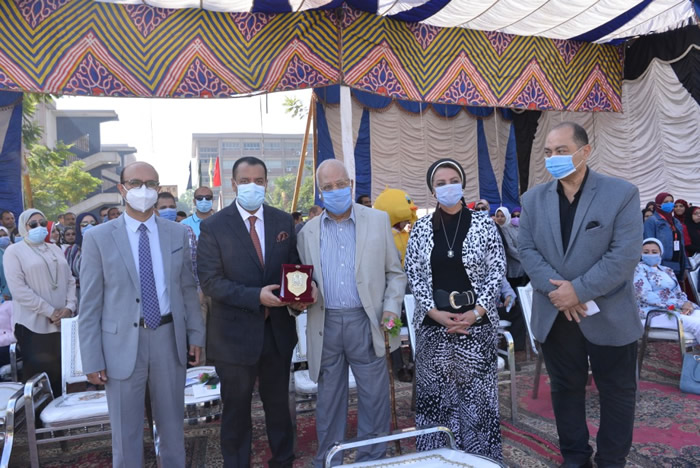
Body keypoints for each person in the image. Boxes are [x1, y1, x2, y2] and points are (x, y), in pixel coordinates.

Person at [518, 122, 643, 468]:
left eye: (561, 151)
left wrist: (579, 291)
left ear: (585, 151)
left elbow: (623, 255)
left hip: (608, 312)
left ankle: (611, 460)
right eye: (548, 152)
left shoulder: (621, 194)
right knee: (565, 388)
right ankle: (575, 458)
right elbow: (527, 250)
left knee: (617, 391)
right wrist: (559, 293)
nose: (553, 158)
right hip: (556, 312)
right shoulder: (532, 200)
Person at [79, 162, 204, 467]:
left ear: (158, 189)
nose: (143, 190)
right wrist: (91, 358)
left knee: (172, 426)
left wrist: (196, 335)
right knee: (125, 432)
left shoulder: (177, 233)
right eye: (136, 183)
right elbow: (90, 304)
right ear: (122, 189)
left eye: (151, 184)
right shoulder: (98, 237)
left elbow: (187, 289)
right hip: (120, 345)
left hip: (168, 339)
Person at [296, 159, 406, 467]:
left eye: (341, 184)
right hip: (326, 324)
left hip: (368, 321)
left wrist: (390, 310)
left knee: (374, 397)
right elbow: (303, 281)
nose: (335, 191)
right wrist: (301, 297)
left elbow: (395, 274)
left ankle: (372, 459)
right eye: (328, 187)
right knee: (329, 400)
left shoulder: (377, 221)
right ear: (320, 192)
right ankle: (330, 459)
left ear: (351, 185)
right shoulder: (307, 232)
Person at [197, 156, 302, 468]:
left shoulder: (283, 222)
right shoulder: (214, 226)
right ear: (233, 184)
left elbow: (294, 267)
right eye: (245, 181)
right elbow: (211, 282)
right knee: (236, 410)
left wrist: (300, 294)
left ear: (267, 183)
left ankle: (283, 460)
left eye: (258, 181)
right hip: (233, 337)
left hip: (277, 333)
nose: (252, 186)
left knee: (279, 407)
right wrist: (256, 296)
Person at [404, 158, 504, 460]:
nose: (448, 187)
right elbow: (414, 274)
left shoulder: (484, 224)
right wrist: (435, 313)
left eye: (453, 181)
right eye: (441, 183)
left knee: (478, 403)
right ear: (432, 190)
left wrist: (476, 312)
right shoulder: (421, 228)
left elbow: (496, 270)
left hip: (477, 326)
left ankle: (481, 461)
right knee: (436, 403)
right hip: (434, 327)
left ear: (462, 185)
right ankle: (438, 461)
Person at [3, 209, 76, 397]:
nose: (39, 227)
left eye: (42, 223)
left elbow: (70, 280)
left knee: (64, 377)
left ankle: (62, 414)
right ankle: (39, 416)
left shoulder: (55, 248)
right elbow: (19, 290)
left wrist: (69, 307)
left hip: (63, 323)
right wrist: (50, 312)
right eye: (33, 224)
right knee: (42, 382)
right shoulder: (14, 251)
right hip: (33, 325)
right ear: (23, 227)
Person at [634, 238, 700, 343]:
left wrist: (686, 303)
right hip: (653, 313)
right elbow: (645, 295)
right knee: (697, 325)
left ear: (660, 253)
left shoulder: (667, 270)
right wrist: (678, 304)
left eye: (654, 252)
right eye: (646, 252)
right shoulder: (638, 269)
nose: (650, 254)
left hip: (674, 310)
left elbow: (678, 292)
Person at [644, 192, 687, 284]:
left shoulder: (676, 222)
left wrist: (685, 266)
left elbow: (682, 244)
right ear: (658, 204)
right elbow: (649, 245)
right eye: (666, 202)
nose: (670, 204)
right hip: (660, 266)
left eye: (671, 201)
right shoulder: (652, 221)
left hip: (677, 264)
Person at [64, 212, 98, 307]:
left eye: (93, 223)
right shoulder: (72, 251)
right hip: (79, 296)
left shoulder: (106, 247)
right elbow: (67, 276)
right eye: (84, 224)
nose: (89, 226)